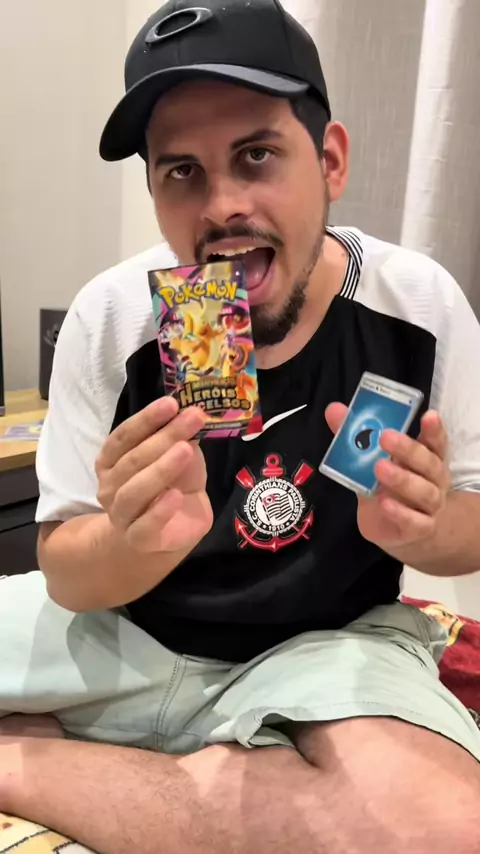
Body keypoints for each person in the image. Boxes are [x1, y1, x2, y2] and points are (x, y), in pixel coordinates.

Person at [1, 0, 480, 851]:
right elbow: (66, 569)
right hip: (120, 634)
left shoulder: (417, 305)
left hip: (325, 646)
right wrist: (131, 544)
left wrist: (427, 525)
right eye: (181, 171)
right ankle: (232, 787)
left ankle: (29, 761)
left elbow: (473, 523)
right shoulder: (112, 317)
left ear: (329, 161)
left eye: (257, 155)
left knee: (446, 828)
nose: (222, 205)